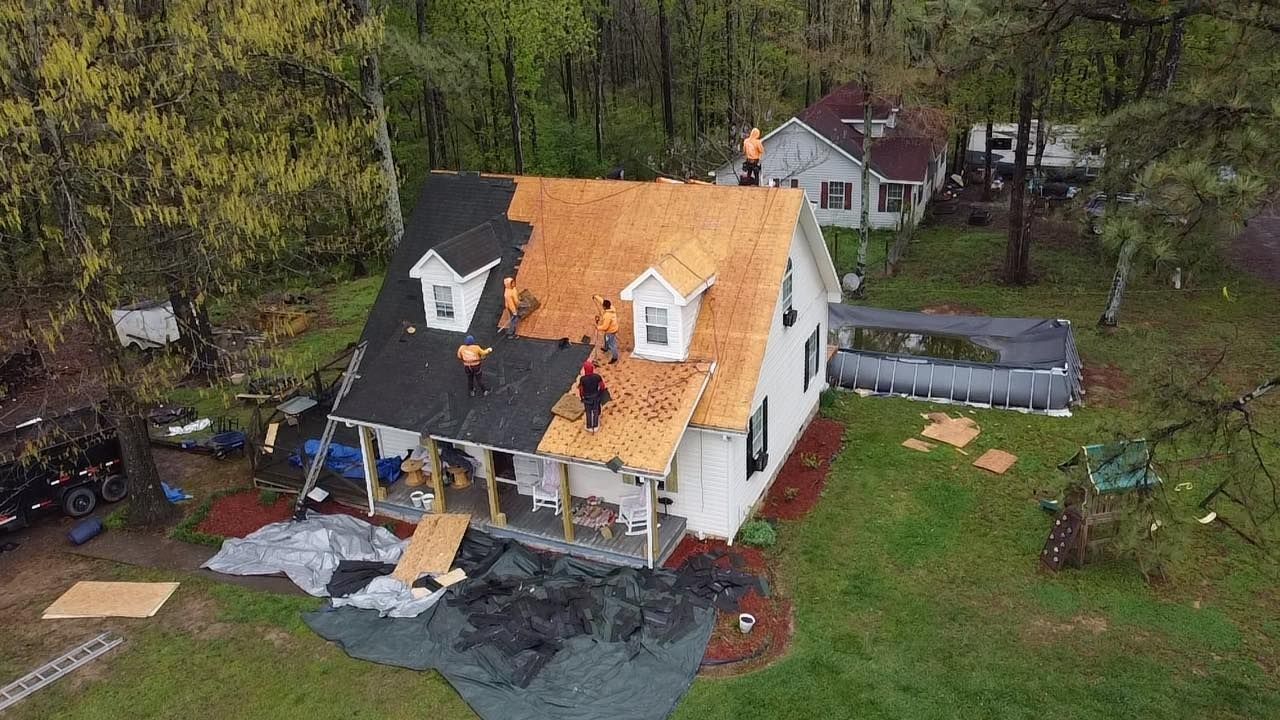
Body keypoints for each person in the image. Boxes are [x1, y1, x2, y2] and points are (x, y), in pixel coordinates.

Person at [577, 360, 607, 433]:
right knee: (596, 410)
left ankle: (589, 426)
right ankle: (596, 425)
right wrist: (600, 393)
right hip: (596, 396)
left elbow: (581, 390)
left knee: (588, 412)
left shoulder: (582, 379)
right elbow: (602, 386)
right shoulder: (597, 377)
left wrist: (582, 397)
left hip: (587, 398)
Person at [592, 294, 620, 364]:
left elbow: (605, 327)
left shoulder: (608, 316)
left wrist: (597, 327)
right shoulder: (611, 308)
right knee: (605, 337)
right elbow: (602, 301)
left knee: (612, 344)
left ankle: (615, 357)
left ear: (604, 307)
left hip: (610, 331)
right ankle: (606, 347)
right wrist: (596, 296)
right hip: (613, 328)